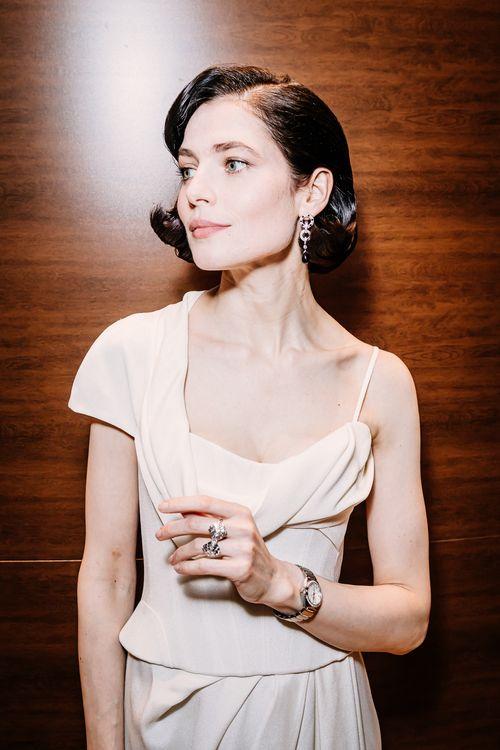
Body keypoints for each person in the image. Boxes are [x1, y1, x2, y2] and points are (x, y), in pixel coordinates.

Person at [68, 64, 431, 750]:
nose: (195, 192)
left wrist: (279, 583)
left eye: (233, 163)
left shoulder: (381, 383)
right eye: (187, 168)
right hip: (168, 716)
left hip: (323, 716)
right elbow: (107, 578)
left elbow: (408, 621)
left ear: (311, 191)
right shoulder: (134, 352)